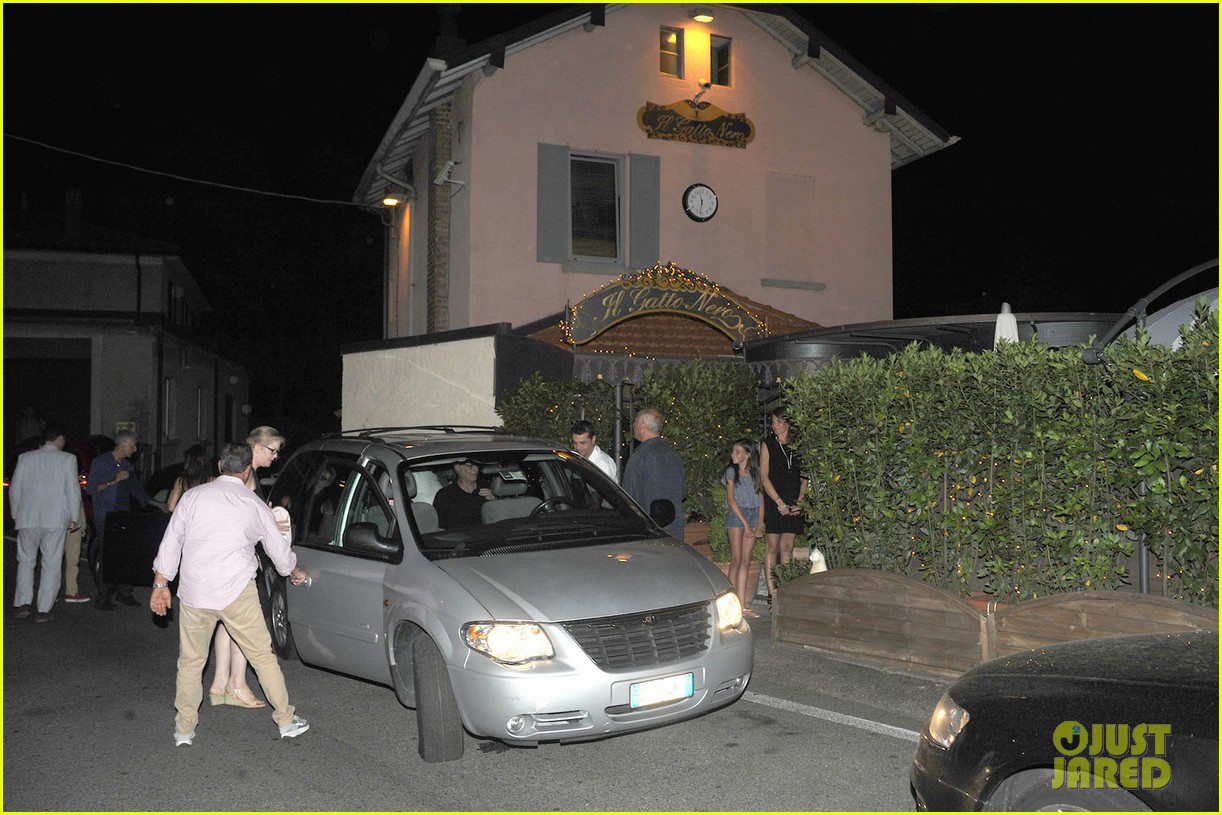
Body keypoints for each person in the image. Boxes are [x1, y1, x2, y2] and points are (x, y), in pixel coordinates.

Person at [151, 442, 310, 746]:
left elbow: (171, 542)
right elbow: (279, 553)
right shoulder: (253, 504)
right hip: (237, 592)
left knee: (191, 662)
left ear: (221, 466)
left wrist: (161, 584)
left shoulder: (192, 497)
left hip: (195, 592)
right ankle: (286, 720)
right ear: (248, 469)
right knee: (262, 657)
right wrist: (295, 571)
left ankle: (184, 729)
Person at [205, 427, 287, 709]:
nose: (275, 457)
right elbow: (244, 517)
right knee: (244, 622)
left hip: (222, 556)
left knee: (227, 622)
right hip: (239, 559)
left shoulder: (237, 471)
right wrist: (270, 524)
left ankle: (219, 683)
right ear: (256, 447)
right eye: (273, 450)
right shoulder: (246, 474)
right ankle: (237, 684)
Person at [9, 425, 82, 623]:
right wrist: (74, 516)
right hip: (55, 519)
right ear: (59, 439)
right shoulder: (67, 459)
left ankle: (23, 603)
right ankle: (43, 608)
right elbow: (72, 490)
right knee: (51, 563)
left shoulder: (26, 458)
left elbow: (15, 489)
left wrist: (17, 514)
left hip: (28, 518)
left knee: (25, 561)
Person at [87, 429, 158, 610]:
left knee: (126, 555)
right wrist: (113, 480)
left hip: (123, 515)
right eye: (133, 445)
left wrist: (158, 504)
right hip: (106, 516)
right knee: (107, 557)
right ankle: (103, 597)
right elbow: (91, 489)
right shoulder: (101, 462)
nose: (135, 449)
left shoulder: (126, 465)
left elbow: (137, 490)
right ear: (123, 444)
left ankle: (125, 592)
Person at [760, 407, 809, 602]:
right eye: (773, 422)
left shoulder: (799, 445)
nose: (775, 425)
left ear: (787, 423)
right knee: (772, 545)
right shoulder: (768, 444)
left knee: (787, 546)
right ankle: (772, 592)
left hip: (794, 499)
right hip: (774, 499)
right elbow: (764, 477)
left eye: (778, 421)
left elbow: (805, 476)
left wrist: (800, 502)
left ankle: (785, 588)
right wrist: (779, 503)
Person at [621, 408, 685, 539]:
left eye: (636, 422)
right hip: (675, 529)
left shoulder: (639, 458)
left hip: (649, 531)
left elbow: (628, 499)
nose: (634, 425)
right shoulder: (674, 454)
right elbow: (683, 492)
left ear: (643, 425)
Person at [722, 438, 764, 618]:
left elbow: (761, 499)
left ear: (748, 454)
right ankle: (731, 603)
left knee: (746, 561)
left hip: (753, 514)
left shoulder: (756, 473)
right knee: (736, 559)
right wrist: (746, 524)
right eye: (733, 451)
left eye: (738, 452)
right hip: (737, 515)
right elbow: (731, 500)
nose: (733, 454)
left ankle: (743, 604)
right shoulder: (732, 472)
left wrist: (759, 523)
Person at [434, 459, 495, 528]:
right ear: (457, 468)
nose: (476, 469)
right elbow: (439, 529)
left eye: (477, 465)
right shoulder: (444, 495)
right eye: (470, 466)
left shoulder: (491, 488)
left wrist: (496, 502)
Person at [62, 503, 90, 603]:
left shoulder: (74, 487)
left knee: (73, 560)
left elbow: (79, 504)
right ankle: (50, 592)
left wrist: (82, 525)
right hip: (57, 525)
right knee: (53, 561)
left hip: (74, 527)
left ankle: (71, 592)